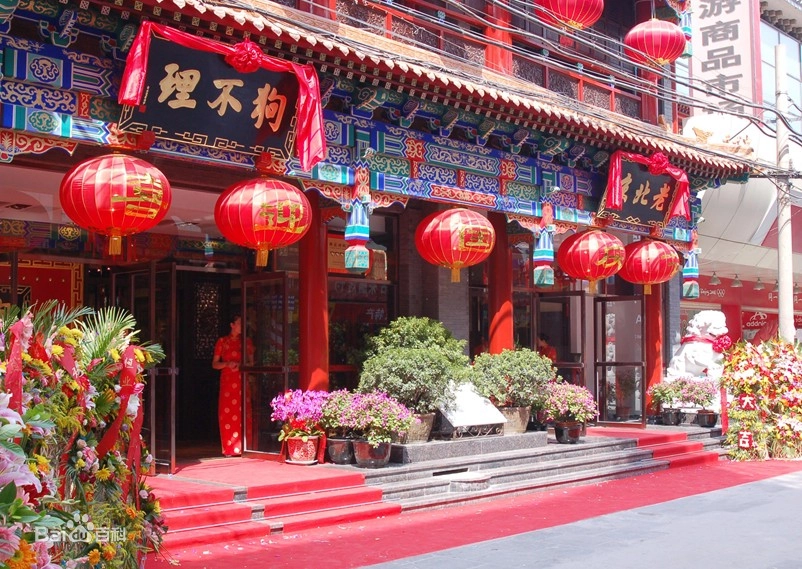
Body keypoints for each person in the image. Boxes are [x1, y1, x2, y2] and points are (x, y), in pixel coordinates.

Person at [212, 315, 253, 457]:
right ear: (232, 325)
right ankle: (229, 448)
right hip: (228, 382)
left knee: (243, 413)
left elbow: (251, 363)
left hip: (242, 381)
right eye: (239, 323)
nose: (242, 326)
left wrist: (241, 365)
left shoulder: (246, 342)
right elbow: (215, 364)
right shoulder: (222, 341)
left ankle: (245, 447)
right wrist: (227, 364)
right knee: (227, 413)